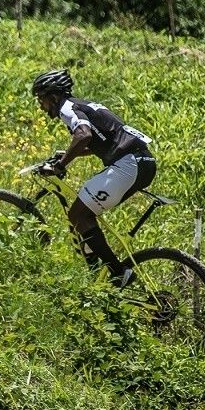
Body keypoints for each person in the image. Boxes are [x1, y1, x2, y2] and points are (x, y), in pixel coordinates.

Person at [32, 69, 156, 284]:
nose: (41, 106)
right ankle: (95, 276)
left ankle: (119, 272)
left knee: (78, 215)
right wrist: (67, 154)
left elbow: (84, 135)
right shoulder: (83, 105)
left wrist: (60, 166)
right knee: (85, 214)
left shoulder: (67, 108)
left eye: (41, 100)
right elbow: (101, 141)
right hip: (143, 162)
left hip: (129, 165)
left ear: (53, 96)